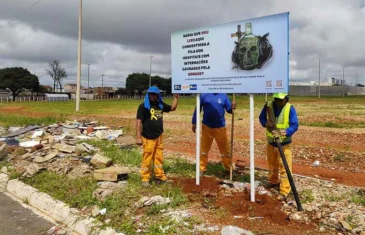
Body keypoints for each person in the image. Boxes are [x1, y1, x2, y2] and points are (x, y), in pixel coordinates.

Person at [136, 86, 179, 187]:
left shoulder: (160, 105)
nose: (152, 96)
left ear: (158, 95)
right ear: (148, 95)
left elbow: (172, 108)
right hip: (148, 137)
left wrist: (176, 98)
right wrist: (138, 137)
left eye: (154, 94)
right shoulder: (143, 106)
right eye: (150, 94)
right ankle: (145, 179)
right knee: (147, 158)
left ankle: (160, 176)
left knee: (158, 157)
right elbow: (138, 122)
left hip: (159, 136)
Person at [259, 93, 299, 201]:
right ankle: (273, 180)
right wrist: (265, 123)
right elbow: (261, 118)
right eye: (276, 99)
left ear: (286, 99)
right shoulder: (268, 105)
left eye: (280, 100)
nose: (278, 102)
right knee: (272, 164)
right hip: (271, 142)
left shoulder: (289, 108)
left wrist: (285, 132)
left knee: (285, 167)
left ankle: (284, 190)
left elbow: (295, 125)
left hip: (284, 144)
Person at [191, 93, 236, 176]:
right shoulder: (204, 95)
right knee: (203, 150)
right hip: (207, 126)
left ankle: (229, 169)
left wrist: (232, 108)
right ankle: (202, 168)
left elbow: (229, 109)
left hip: (220, 127)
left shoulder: (223, 96)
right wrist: (194, 122)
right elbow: (198, 108)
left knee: (225, 150)